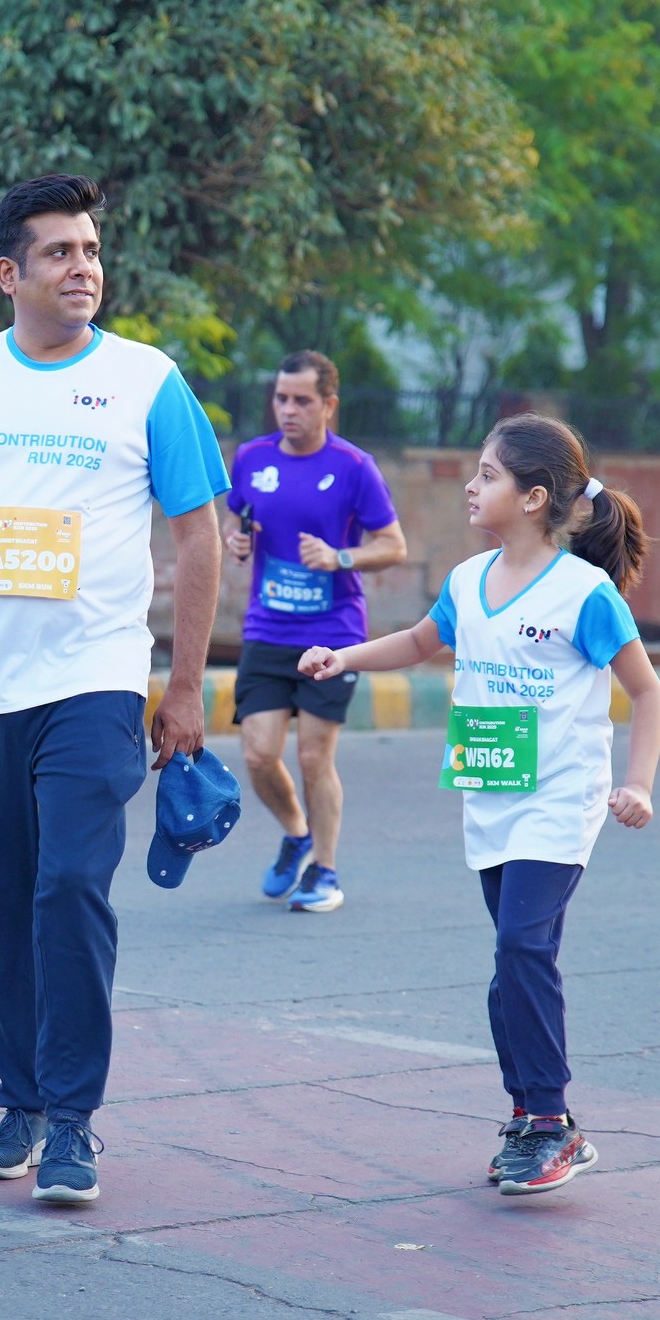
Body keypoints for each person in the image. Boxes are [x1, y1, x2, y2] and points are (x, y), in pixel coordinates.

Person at [0, 173, 228, 1205]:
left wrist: (184, 687)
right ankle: (18, 1102)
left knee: (68, 887)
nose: (83, 268)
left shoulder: (148, 381)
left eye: (92, 251)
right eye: (59, 252)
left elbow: (199, 537)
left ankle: (71, 1120)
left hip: (94, 682)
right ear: (7, 273)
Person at [300, 412, 660, 1197]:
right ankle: (528, 1112)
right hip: (490, 791)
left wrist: (637, 782)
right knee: (511, 964)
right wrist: (344, 657)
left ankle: (553, 1123)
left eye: (489, 475)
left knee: (521, 948)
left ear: (534, 497)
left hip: (559, 798)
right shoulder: (468, 580)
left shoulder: (584, 592)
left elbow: (647, 690)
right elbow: (418, 642)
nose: (471, 486)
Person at [225, 349, 405, 913]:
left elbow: (393, 546)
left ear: (328, 405)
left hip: (333, 633)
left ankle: (325, 871)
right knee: (258, 754)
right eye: (281, 398)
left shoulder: (354, 466)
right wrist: (237, 543)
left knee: (312, 756)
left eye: (302, 400)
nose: (289, 409)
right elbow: (239, 522)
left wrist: (339, 557)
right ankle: (297, 833)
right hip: (267, 627)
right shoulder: (252, 458)